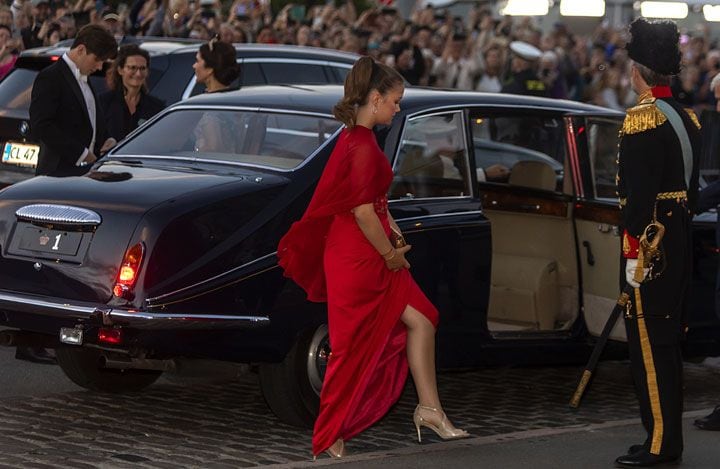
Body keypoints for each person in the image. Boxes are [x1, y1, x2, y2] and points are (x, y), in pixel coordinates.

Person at [277, 57, 468, 459]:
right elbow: (363, 211)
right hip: (359, 255)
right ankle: (330, 431)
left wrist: (393, 236)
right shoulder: (360, 144)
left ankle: (430, 409)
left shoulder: (357, 138)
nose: (398, 109)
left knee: (423, 319)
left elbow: (373, 204)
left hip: (368, 248)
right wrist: (390, 253)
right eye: (395, 101)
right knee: (351, 344)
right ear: (376, 98)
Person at [614, 18, 701, 468]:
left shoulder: (643, 119)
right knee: (666, 343)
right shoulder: (687, 117)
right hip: (679, 242)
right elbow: (693, 191)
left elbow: (637, 203)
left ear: (639, 70)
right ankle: (661, 437)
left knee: (649, 344)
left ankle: (661, 444)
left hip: (650, 249)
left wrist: (632, 260)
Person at [29, 24, 118, 177]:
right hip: (57, 174)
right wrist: (82, 154)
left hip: (88, 173)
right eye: (97, 59)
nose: (99, 67)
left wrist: (107, 139)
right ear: (81, 50)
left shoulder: (85, 78)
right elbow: (42, 125)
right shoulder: (50, 77)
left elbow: (91, 119)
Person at [99, 44, 165, 142]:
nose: (138, 73)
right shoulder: (103, 103)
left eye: (142, 68)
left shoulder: (157, 107)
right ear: (120, 70)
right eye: (132, 68)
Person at [191, 36, 240, 153]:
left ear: (209, 70)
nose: (194, 66)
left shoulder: (211, 109)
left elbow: (213, 148)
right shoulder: (235, 100)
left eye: (198, 61)